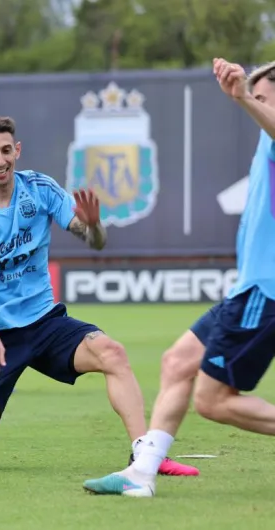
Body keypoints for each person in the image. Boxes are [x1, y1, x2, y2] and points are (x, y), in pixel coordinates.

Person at [0, 116, 194, 476]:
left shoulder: (40, 188)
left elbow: (94, 241)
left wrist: (95, 226)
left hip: (45, 323)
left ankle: (144, 455)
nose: (0, 159)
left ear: (17, 150)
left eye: (6, 150)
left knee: (112, 353)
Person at [83, 58, 275, 497]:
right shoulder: (267, 140)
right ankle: (141, 474)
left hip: (264, 292)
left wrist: (245, 94)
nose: (254, 104)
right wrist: (246, 89)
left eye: (263, 97)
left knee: (212, 400)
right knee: (177, 362)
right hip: (247, 290)